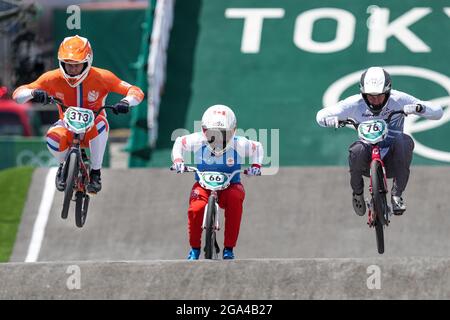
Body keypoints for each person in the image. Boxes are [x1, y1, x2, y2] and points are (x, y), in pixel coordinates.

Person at [13, 35, 144, 194]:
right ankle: (62, 166)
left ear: (88, 62)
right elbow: (18, 94)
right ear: (61, 63)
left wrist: (126, 102)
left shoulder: (103, 76)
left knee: (101, 124)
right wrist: (34, 92)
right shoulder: (52, 78)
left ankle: (96, 173)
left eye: (77, 65)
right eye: (68, 65)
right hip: (66, 126)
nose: (73, 70)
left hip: (93, 126)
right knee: (52, 137)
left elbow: (136, 91)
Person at [316, 66, 443, 216]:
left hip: (393, 158)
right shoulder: (354, 103)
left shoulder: (399, 99)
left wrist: (420, 108)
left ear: (388, 92)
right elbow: (320, 116)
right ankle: (357, 194)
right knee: (356, 150)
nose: (375, 100)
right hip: (366, 156)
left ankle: (397, 195)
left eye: (380, 96)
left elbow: (438, 112)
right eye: (370, 96)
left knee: (404, 141)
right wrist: (330, 120)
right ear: (363, 93)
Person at [171, 104, 263, 260]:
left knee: (235, 201)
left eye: (224, 133)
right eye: (213, 133)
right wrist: (179, 161)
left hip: (231, 185)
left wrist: (255, 166)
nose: (218, 138)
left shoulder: (239, 143)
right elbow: (180, 143)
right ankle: (194, 248)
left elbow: (257, 148)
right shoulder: (198, 140)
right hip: (203, 186)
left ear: (233, 131)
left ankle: (229, 248)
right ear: (204, 130)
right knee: (196, 208)